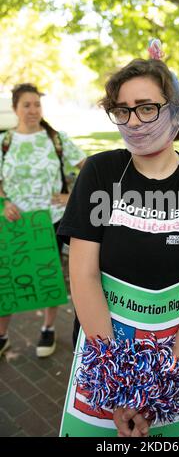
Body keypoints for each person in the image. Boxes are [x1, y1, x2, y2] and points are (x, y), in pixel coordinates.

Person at [57, 41, 179, 437]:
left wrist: (160, 383)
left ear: (174, 110)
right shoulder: (100, 173)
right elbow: (84, 276)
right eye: (122, 110)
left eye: (146, 107)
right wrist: (118, 380)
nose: (134, 122)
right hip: (105, 356)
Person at [0, 83, 86, 358]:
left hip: (50, 220)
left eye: (37, 104)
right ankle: (2, 336)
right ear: (15, 108)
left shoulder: (56, 139)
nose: (33, 110)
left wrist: (69, 196)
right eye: (26, 104)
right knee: (8, 278)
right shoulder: (4, 142)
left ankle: (48, 328)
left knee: (48, 275)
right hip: (14, 222)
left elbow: (90, 169)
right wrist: (4, 203)